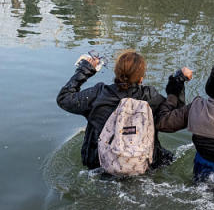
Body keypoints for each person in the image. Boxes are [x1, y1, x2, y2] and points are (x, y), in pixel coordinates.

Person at [57, 50, 191, 171]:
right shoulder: (150, 97)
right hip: (144, 165)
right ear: (141, 78)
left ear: (116, 72)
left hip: (100, 164)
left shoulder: (97, 95)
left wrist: (85, 70)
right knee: (166, 158)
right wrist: (178, 80)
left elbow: (64, 98)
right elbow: (175, 117)